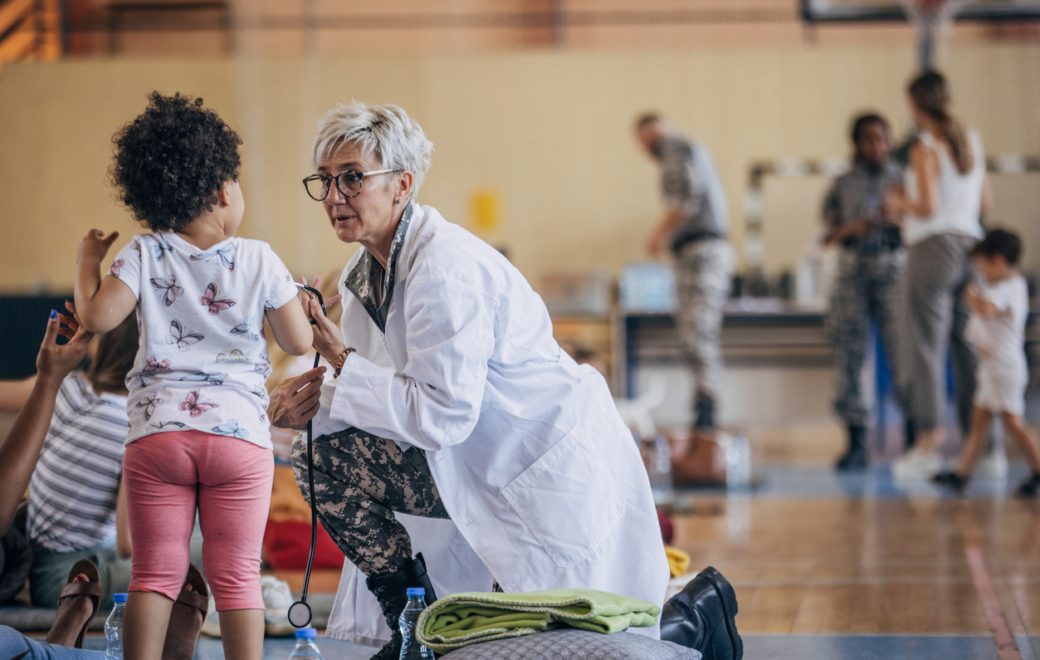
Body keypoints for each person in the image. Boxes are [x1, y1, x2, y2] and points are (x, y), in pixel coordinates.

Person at [267, 102, 671, 660]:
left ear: (402, 184)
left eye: (353, 177)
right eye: (325, 179)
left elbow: (441, 414)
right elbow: (381, 393)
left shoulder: (445, 268)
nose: (335, 196)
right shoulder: (364, 274)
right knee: (317, 455)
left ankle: (700, 617)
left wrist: (338, 360)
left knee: (565, 642)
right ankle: (412, 625)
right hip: (474, 458)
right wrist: (308, 403)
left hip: (535, 463)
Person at [72, 92, 313, 660]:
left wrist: (87, 262)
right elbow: (298, 343)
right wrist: (298, 303)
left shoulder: (143, 252)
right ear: (224, 190)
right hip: (239, 438)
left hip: (159, 435)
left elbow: (96, 318)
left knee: (155, 571)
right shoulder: (260, 258)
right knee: (238, 576)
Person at [885, 71, 988, 477]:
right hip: (971, 246)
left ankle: (928, 444)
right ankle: (984, 449)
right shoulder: (972, 142)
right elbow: (985, 202)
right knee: (969, 346)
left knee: (925, 347)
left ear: (915, 105)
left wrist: (899, 203)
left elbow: (927, 208)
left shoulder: (924, 148)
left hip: (932, 248)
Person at [635, 113, 733, 432]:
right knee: (695, 335)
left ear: (646, 135)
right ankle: (704, 414)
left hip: (701, 252)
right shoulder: (687, 149)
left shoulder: (674, 149)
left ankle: (706, 422)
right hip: (702, 252)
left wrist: (657, 236)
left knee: (697, 335)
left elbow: (683, 202)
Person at [821, 113, 907, 470]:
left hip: (894, 267)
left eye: (883, 139)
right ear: (856, 143)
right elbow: (825, 235)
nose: (878, 146)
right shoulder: (841, 185)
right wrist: (854, 227)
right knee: (851, 355)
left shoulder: (905, 179)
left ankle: (915, 440)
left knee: (903, 352)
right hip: (853, 269)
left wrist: (898, 219)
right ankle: (856, 442)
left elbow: (925, 222)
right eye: (870, 139)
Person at [932, 230, 1040, 496]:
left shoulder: (1009, 288)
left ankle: (1038, 468)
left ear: (998, 262)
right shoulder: (1000, 287)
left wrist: (971, 297)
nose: (980, 273)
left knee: (1013, 423)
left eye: (982, 266)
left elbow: (988, 309)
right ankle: (962, 473)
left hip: (1004, 368)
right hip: (990, 369)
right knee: (979, 421)